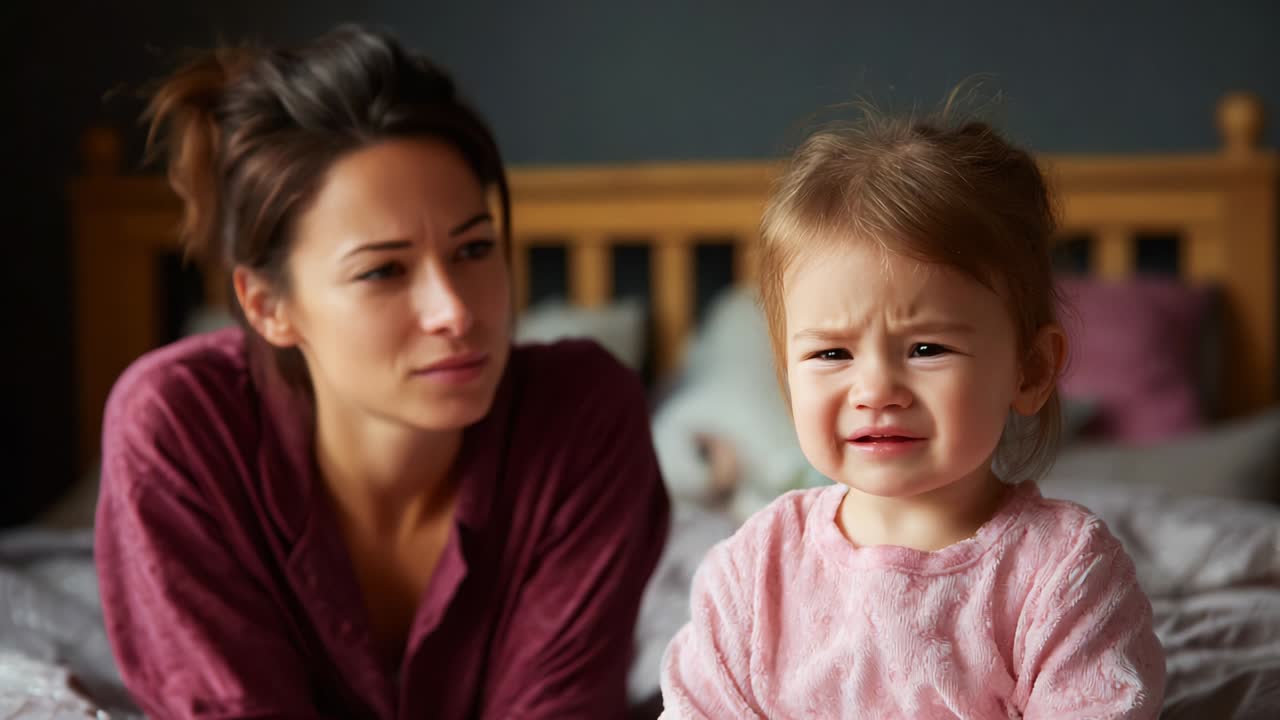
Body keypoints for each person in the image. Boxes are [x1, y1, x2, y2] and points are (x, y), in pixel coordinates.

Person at [94, 25, 669, 720]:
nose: (454, 311)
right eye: (383, 271)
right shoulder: (180, 426)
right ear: (268, 306)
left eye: (474, 249)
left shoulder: (581, 416)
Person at [659, 113, 1166, 718]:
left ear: (1029, 371)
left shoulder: (1063, 574)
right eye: (831, 354)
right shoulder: (754, 570)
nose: (876, 390)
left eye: (927, 349)